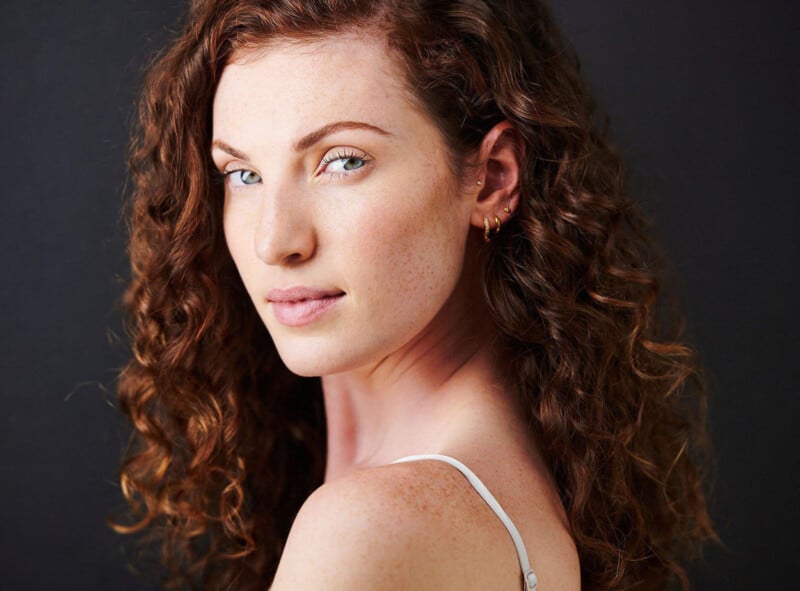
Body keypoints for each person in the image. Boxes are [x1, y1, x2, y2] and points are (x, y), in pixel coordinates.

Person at [113, 1, 715, 589]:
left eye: (342, 161)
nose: (275, 242)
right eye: (243, 174)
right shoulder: (497, 482)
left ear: (493, 178)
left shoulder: (373, 529)